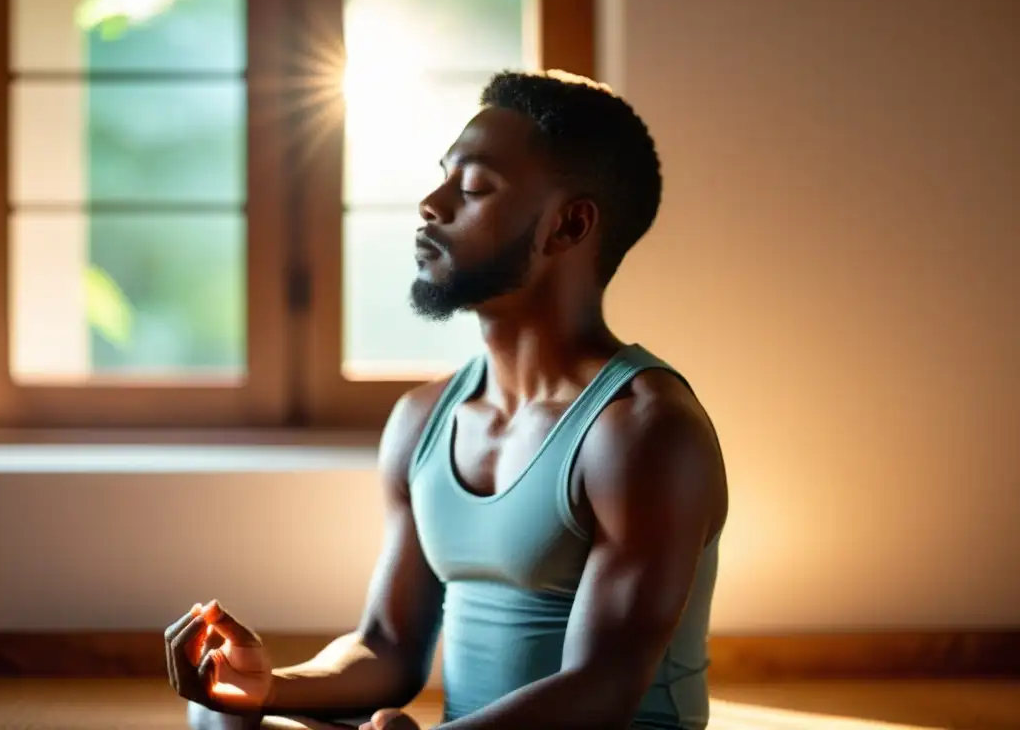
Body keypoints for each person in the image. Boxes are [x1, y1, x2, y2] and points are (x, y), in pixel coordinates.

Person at [167, 69, 728, 730]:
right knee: (222, 715)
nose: (431, 204)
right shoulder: (424, 418)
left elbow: (600, 691)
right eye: (443, 178)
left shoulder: (644, 430)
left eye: (473, 188)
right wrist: (266, 684)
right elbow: (386, 649)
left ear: (568, 226)